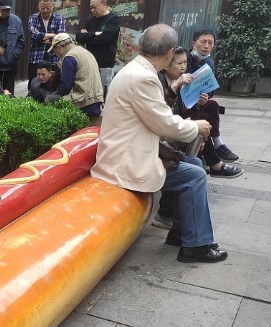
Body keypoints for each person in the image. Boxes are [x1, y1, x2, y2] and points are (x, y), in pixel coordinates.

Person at [91, 24, 228, 263]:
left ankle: (184, 234)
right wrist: (196, 127)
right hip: (125, 162)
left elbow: (158, 118)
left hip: (129, 151)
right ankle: (195, 246)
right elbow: (164, 124)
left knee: (193, 162)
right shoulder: (144, 78)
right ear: (169, 51)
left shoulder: (135, 70)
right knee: (194, 175)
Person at [152, 46, 243, 230]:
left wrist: (197, 105)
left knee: (208, 110)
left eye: (185, 62)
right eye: (179, 63)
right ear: (165, 65)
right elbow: (164, 117)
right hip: (163, 140)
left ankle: (178, 223)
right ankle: (169, 214)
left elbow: (183, 112)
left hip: (173, 133)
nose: (184, 67)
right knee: (188, 165)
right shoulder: (159, 82)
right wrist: (176, 88)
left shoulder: (179, 80)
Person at [185, 29, 239, 162]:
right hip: (182, 102)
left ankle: (216, 143)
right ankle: (203, 154)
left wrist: (205, 97)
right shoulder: (184, 59)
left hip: (198, 102)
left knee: (211, 105)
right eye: (203, 42)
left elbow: (211, 90)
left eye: (210, 43)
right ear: (193, 43)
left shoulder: (209, 63)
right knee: (203, 113)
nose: (206, 46)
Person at [46, 33, 104, 125]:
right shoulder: (86, 52)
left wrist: (55, 93)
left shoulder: (69, 57)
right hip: (97, 99)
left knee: (49, 99)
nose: (55, 54)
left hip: (84, 101)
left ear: (60, 48)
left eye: (54, 51)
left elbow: (65, 87)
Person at [75, 0, 120, 98]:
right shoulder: (90, 20)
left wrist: (87, 35)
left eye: (94, 7)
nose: (92, 10)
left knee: (104, 94)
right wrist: (95, 34)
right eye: (90, 8)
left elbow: (105, 38)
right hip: (90, 63)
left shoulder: (113, 19)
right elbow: (79, 37)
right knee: (90, 93)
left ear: (104, 4)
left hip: (105, 64)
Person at [27, 0, 65, 88]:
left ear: (53, 6)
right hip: (35, 58)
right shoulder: (33, 18)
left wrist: (41, 38)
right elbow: (34, 36)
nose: (45, 10)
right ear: (38, 6)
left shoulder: (60, 18)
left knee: (53, 85)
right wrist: (53, 36)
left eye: (48, 8)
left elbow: (60, 38)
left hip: (54, 58)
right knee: (33, 85)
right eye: (42, 8)